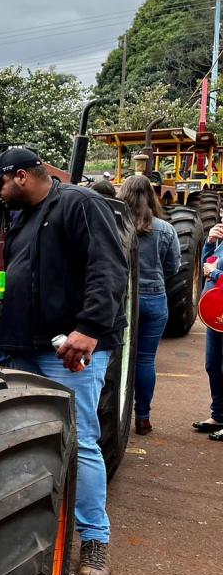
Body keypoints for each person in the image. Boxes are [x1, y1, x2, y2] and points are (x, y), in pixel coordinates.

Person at [0, 147, 128, 575]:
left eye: (2, 184)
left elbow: (110, 268)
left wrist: (89, 328)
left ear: (21, 176)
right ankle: (24, 524)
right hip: (22, 347)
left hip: (68, 350)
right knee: (14, 436)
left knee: (80, 438)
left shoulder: (81, 205)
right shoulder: (22, 218)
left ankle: (95, 541)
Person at [117, 175, 180, 434]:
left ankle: (112, 415)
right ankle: (142, 417)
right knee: (145, 360)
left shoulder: (116, 225)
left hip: (121, 300)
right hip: (155, 300)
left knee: (115, 359)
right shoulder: (166, 229)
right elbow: (173, 267)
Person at [196, 221, 223, 440]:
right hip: (216, 315)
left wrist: (215, 274)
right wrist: (209, 243)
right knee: (213, 365)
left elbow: (212, 271)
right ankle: (218, 415)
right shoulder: (221, 240)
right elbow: (207, 265)